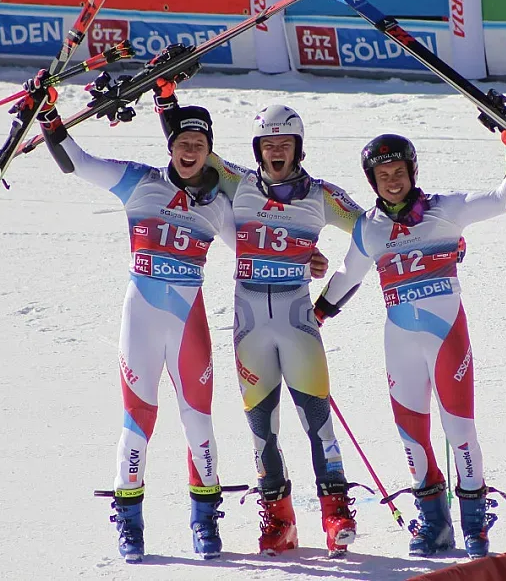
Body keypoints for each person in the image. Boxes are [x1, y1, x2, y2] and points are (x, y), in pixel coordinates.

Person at [152, 71, 367, 558]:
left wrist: (332, 291)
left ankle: (336, 514)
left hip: (297, 323)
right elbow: (191, 148)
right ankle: (280, 519)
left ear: (298, 147)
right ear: (257, 149)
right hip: (249, 326)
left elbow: (375, 228)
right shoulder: (238, 184)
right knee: (261, 428)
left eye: (285, 143)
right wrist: (167, 98)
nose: (276, 150)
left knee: (318, 421)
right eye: (268, 143)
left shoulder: (322, 196)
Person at [32, 71, 233, 563]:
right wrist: (48, 115)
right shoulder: (137, 182)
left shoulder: (220, 207)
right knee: (136, 420)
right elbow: (76, 163)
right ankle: (130, 520)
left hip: (190, 327)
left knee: (198, 421)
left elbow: (259, 251)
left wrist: (306, 265)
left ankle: (204, 521)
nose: (190, 151)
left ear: (209, 151)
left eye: (199, 144)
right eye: (183, 142)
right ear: (171, 146)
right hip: (141, 320)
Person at [312, 130, 506, 559]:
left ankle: (474, 525)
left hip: (447, 337)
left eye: (398, 172)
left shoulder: (445, 210)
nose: (392, 181)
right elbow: (346, 277)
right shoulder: (369, 229)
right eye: (382, 175)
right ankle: (434, 525)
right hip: (400, 343)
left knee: (459, 430)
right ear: (371, 180)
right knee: (412, 436)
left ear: (412, 172)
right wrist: (315, 316)